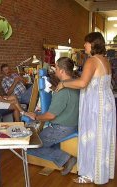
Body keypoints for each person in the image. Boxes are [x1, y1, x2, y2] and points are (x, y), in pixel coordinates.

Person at [56, 32, 116, 184]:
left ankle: (89, 174)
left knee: (92, 139)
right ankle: (101, 173)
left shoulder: (92, 60)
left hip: (95, 105)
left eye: (86, 43)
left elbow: (83, 83)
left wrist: (64, 83)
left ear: (93, 44)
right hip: (106, 103)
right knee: (102, 138)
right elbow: (90, 80)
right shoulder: (105, 60)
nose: (84, 46)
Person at [25, 57, 79, 175]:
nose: (55, 70)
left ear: (62, 71)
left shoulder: (63, 90)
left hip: (62, 128)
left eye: (56, 68)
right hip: (72, 125)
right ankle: (60, 156)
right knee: (41, 139)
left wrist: (36, 116)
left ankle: (67, 159)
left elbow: (50, 116)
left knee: (31, 145)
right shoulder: (75, 84)